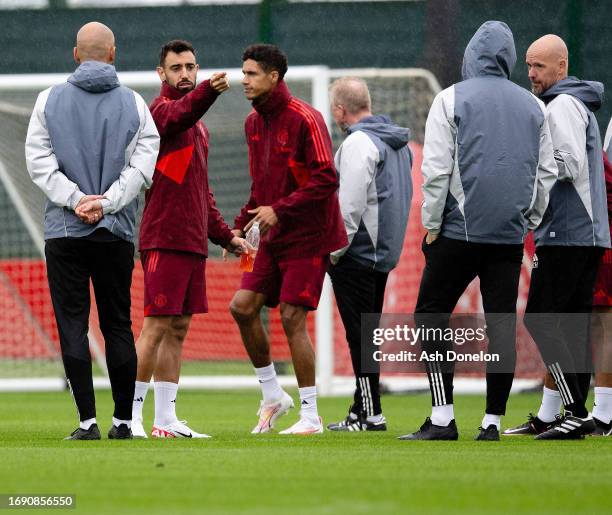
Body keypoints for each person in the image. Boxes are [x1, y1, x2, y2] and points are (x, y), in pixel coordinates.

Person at [397, 21, 557, 442]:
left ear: (471, 56)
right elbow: (546, 172)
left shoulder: (450, 99)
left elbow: (435, 171)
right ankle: (492, 423)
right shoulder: (534, 106)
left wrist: (432, 225)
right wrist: (530, 220)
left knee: (430, 315)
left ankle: (443, 417)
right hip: (507, 235)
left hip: (458, 231)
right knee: (501, 326)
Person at [25, 22, 160, 440]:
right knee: (118, 323)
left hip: (64, 230)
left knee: (73, 324)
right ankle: (124, 421)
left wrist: (76, 199)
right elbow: (142, 167)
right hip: (115, 231)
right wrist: (106, 202)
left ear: (75, 53)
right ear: (114, 54)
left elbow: (38, 161)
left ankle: (87, 422)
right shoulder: (136, 104)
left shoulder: (49, 100)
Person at [229, 44, 347, 435]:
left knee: (292, 317)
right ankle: (273, 396)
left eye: (251, 73)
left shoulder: (305, 118)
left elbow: (327, 178)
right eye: (243, 73)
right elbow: (260, 189)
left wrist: (280, 209)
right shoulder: (252, 123)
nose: (243, 80)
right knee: (243, 307)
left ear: (274, 77)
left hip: (309, 237)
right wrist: (238, 224)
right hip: (273, 236)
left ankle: (311, 416)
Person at [131, 40, 245, 439]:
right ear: (161, 74)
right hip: (164, 236)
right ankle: (129, 420)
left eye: (191, 67)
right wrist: (207, 91)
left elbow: (202, 192)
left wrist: (226, 237)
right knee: (156, 326)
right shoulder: (161, 112)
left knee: (177, 329)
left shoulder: (199, 128)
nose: (185, 74)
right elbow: (181, 112)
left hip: (193, 240)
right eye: (176, 68)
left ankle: (165, 421)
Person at [502, 34, 610, 440]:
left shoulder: (562, 104)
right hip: (584, 233)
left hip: (567, 232)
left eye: (540, 66)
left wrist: (521, 169)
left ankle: (575, 411)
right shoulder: (570, 102)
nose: (531, 73)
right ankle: (556, 415)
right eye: (528, 65)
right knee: (570, 325)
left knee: (542, 321)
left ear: (561, 67)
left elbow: (564, 164)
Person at [325, 77, 412, 432]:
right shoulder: (397, 142)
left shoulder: (359, 143)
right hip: (383, 252)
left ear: (340, 110)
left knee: (360, 335)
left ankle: (371, 413)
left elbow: (350, 204)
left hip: (358, 253)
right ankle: (363, 410)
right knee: (367, 334)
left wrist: (335, 250)